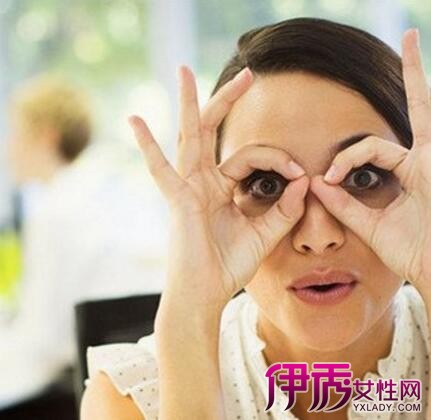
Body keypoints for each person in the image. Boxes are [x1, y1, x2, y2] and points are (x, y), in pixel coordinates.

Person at [80, 17, 431, 419]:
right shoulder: (134, 400)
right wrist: (189, 316)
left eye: (363, 177)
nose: (318, 236)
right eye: (267, 185)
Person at [0, 75, 166, 408]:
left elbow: (44, 338)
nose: (9, 148)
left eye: (16, 133)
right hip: (138, 374)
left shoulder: (55, 211)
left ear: (46, 135)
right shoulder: (114, 189)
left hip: (76, 384)